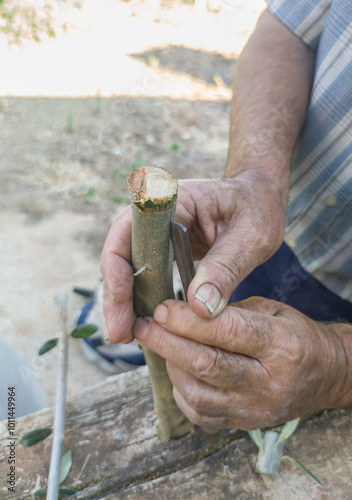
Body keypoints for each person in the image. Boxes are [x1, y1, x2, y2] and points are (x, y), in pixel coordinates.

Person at [100, 1, 352, 431]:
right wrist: (259, 179)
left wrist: (340, 367)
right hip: (262, 240)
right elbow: (287, 31)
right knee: (208, 359)